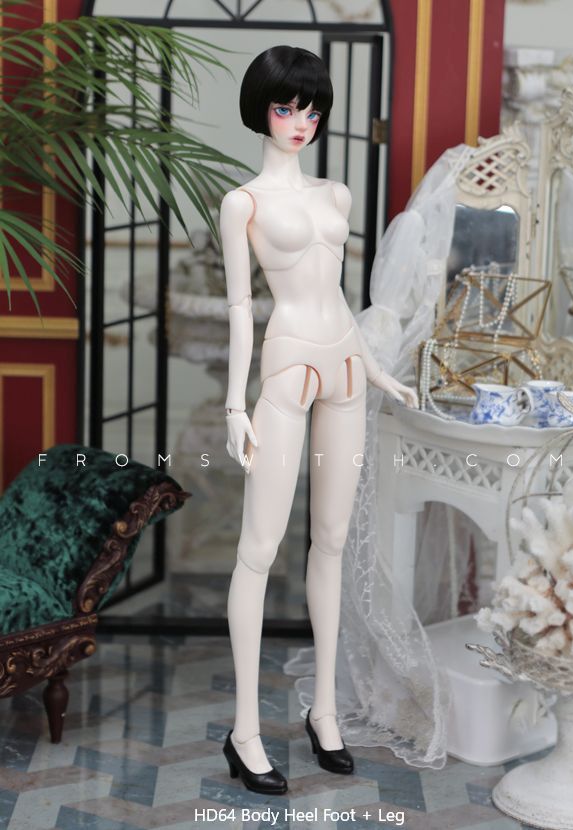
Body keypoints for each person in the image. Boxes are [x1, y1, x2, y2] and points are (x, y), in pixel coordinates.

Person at [220, 45, 418, 795]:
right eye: (285, 107)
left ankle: (325, 710)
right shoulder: (243, 203)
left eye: (311, 109)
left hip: (344, 367)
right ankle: (244, 731)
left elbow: (335, 294)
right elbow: (242, 306)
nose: (300, 122)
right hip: (286, 368)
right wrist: (235, 403)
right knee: (259, 547)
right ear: (262, 110)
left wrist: (375, 368)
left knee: (332, 540)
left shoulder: (336, 195)